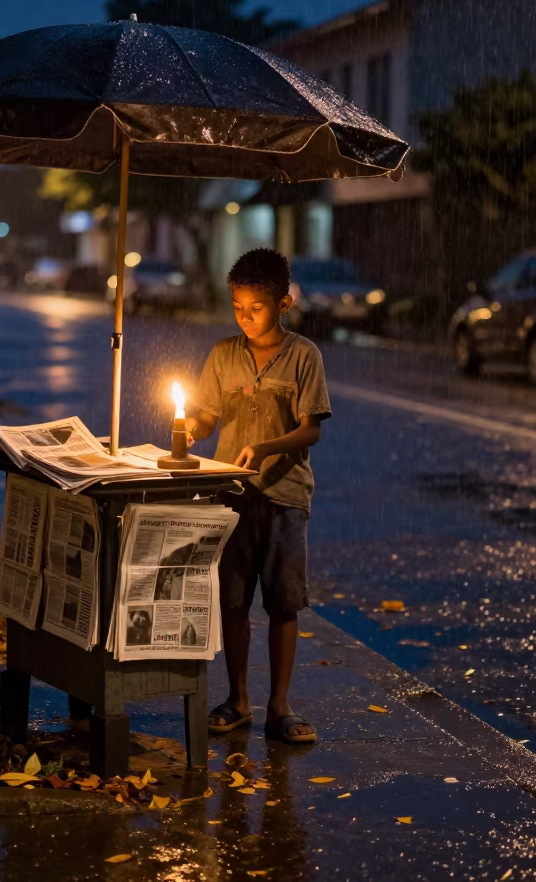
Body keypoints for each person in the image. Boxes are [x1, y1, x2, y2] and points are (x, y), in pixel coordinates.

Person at [187, 248, 330, 744]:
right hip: (231, 493)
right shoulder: (223, 355)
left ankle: (280, 706)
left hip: (285, 496)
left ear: (284, 303)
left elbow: (311, 430)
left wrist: (269, 446)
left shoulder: (304, 355)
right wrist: (188, 427)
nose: (244, 317)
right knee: (233, 601)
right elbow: (206, 417)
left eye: (256, 307)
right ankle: (239, 699)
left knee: (283, 604)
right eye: (237, 306)